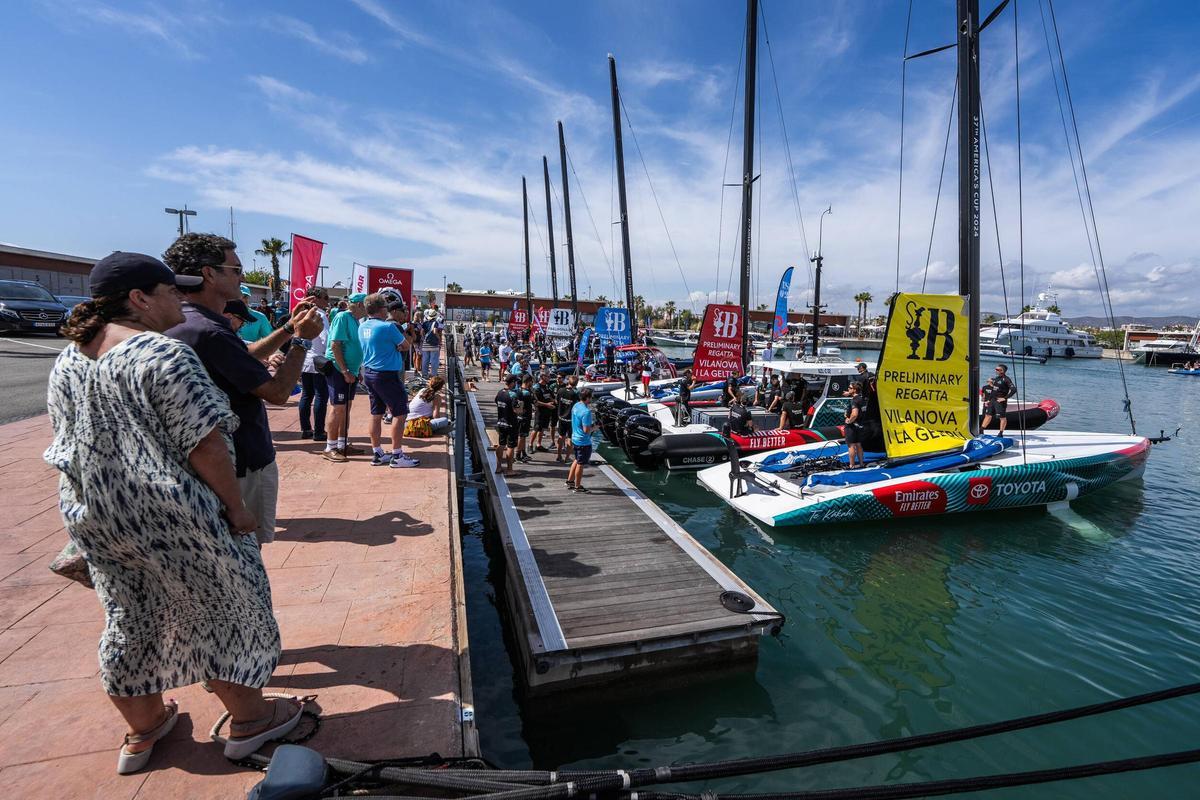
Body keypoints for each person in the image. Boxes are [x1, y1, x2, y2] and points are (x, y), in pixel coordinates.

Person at [48, 252, 305, 773]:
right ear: (140, 300)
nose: (180, 301)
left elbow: (67, 440)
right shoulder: (162, 355)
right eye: (171, 293)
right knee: (230, 608)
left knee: (130, 616)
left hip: (99, 515)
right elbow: (205, 443)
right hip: (175, 513)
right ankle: (251, 720)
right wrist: (237, 509)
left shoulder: (70, 359)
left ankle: (144, 730)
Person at [163, 233, 322, 546]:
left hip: (210, 464)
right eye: (235, 270)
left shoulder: (189, 322)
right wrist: (302, 341)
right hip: (240, 462)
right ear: (209, 273)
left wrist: (289, 328)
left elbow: (244, 359)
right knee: (246, 555)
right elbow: (278, 393)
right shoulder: (210, 332)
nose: (243, 276)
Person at [358, 292, 419, 468]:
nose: (388, 311)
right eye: (386, 307)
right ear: (381, 309)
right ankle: (397, 455)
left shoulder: (362, 327)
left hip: (369, 373)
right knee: (399, 413)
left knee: (376, 413)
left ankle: (377, 452)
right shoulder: (387, 327)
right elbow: (406, 345)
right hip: (387, 374)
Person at [323, 293, 367, 462]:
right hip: (338, 370)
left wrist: (356, 371)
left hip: (351, 371)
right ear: (359, 305)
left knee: (346, 408)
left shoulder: (356, 321)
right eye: (366, 304)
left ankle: (342, 444)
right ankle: (330, 447)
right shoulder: (342, 317)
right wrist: (344, 370)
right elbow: (335, 345)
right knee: (337, 407)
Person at [298, 286, 330, 442]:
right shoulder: (320, 315)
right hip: (318, 360)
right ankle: (318, 431)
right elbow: (326, 339)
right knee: (321, 396)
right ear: (315, 299)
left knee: (306, 395)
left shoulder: (301, 314)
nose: (328, 301)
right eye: (325, 298)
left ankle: (305, 429)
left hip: (304, 359)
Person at [566, 387, 596, 492]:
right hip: (583, 441)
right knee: (580, 464)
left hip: (575, 439)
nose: (592, 398)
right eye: (591, 396)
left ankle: (570, 481)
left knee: (577, 459)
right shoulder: (586, 412)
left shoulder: (576, 405)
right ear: (587, 398)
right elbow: (587, 430)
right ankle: (577, 486)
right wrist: (595, 427)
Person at [494, 374, 519, 475]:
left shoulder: (500, 392)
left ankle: (498, 467)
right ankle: (509, 469)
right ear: (512, 382)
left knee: (501, 444)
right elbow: (516, 410)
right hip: (511, 423)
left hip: (501, 422)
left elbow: (496, 401)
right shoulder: (513, 395)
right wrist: (521, 409)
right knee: (510, 446)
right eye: (515, 382)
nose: (516, 384)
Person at [982, 363, 1015, 433]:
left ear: (1002, 371)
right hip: (992, 400)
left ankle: (1000, 433)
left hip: (1000, 401)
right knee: (988, 415)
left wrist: (1005, 398)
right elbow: (994, 390)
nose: (995, 370)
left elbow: (1014, 389)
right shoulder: (996, 379)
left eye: (997, 369)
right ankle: (981, 430)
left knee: (1002, 417)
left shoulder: (1006, 379)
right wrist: (988, 400)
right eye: (995, 369)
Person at [555, 374, 579, 463]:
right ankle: (567, 458)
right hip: (571, 419)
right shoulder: (575, 393)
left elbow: (557, 401)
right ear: (576, 384)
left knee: (561, 437)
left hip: (561, 418)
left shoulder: (560, 390)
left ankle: (558, 456)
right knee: (570, 438)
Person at [531, 372, 557, 453]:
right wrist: (547, 405)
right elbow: (536, 402)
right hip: (540, 411)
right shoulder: (536, 387)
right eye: (548, 376)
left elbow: (551, 397)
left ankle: (538, 444)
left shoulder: (546, 387)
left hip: (547, 411)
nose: (549, 378)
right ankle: (530, 445)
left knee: (542, 429)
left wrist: (554, 401)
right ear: (542, 377)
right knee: (536, 428)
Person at [844, 381, 867, 467]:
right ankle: (861, 463)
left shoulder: (854, 400)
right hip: (860, 425)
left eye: (849, 388)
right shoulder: (861, 399)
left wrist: (849, 420)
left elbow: (855, 414)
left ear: (854, 390)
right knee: (858, 444)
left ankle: (851, 465)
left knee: (851, 445)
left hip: (852, 426)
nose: (848, 389)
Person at [515, 374, 535, 461]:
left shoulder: (518, 390)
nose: (532, 383)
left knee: (523, 436)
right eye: (531, 382)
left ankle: (523, 453)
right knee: (522, 436)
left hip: (519, 416)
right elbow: (535, 402)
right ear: (528, 382)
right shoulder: (527, 393)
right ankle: (518, 455)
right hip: (525, 417)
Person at [420, 307, 443, 378]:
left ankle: (424, 374)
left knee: (425, 359)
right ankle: (433, 374)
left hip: (425, 343)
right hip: (434, 344)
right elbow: (435, 331)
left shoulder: (425, 323)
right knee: (434, 360)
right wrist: (439, 339)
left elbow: (421, 332)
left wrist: (424, 338)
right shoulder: (435, 323)